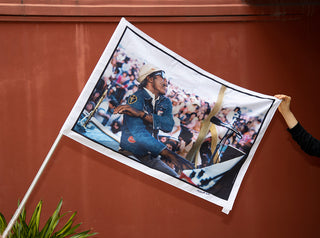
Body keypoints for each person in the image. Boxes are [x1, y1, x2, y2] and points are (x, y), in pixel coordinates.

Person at [114, 64, 194, 176]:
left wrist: (142, 114)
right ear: (150, 78)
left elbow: (168, 126)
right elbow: (139, 134)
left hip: (151, 157)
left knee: (173, 177)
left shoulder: (165, 102)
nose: (166, 83)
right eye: (162, 77)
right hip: (131, 153)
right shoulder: (136, 99)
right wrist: (170, 155)